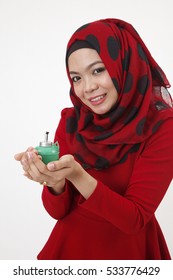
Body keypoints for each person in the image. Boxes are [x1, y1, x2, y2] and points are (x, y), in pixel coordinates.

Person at [15, 18, 173, 260]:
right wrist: (52, 180)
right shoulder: (72, 121)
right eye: (76, 78)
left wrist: (77, 174)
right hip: (70, 250)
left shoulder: (162, 126)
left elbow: (135, 219)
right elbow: (58, 211)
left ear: (125, 64)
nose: (87, 87)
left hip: (129, 255)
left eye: (98, 70)